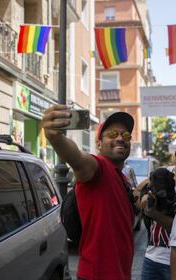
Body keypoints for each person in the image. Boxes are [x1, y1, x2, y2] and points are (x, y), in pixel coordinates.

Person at [43, 105, 135, 280]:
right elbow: (77, 158)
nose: (121, 138)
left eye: (126, 135)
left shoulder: (123, 179)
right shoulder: (98, 166)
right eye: (113, 134)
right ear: (99, 144)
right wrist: (56, 139)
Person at [135, 139, 176, 280]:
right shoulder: (163, 172)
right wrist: (143, 199)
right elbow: (137, 193)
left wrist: (153, 213)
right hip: (151, 257)